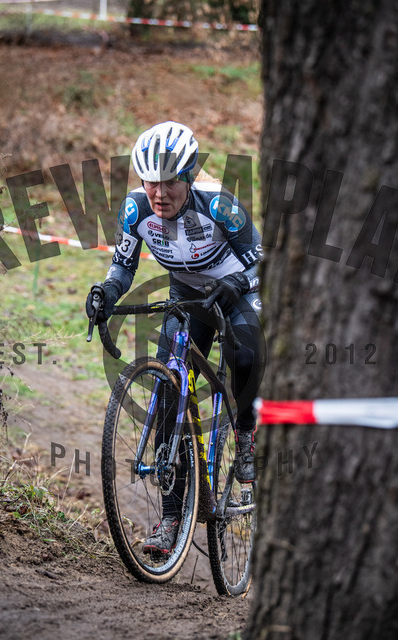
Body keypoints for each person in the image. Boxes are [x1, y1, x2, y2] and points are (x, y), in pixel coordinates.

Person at [86, 121, 264, 556]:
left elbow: (263, 262)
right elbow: (123, 266)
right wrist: (106, 293)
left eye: (169, 183)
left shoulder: (218, 204)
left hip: (236, 288)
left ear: (188, 177)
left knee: (245, 356)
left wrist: (238, 283)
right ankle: (169, 521)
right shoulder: (136, 209)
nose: (159, 193)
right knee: (168, 391)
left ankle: (245, 434)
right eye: (150, 182)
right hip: (186, 294)